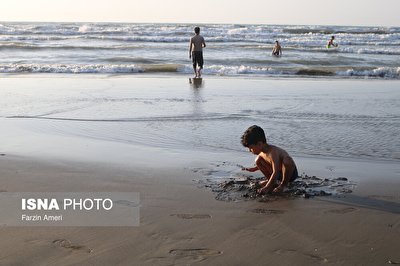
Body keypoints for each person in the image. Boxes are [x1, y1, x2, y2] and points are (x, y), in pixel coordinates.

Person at [241, 125, 298, 194]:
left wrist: (267, 187)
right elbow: (269, 163)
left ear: (259, 144)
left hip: (290, 174)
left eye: (251, 148)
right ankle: (271, 181)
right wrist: (255, 169)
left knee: (287, 161)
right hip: (278, 174)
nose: (249, 150)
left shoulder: (273, 152)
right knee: (258, 160)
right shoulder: (261, 152)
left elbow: (275, 172)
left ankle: (283, 185)